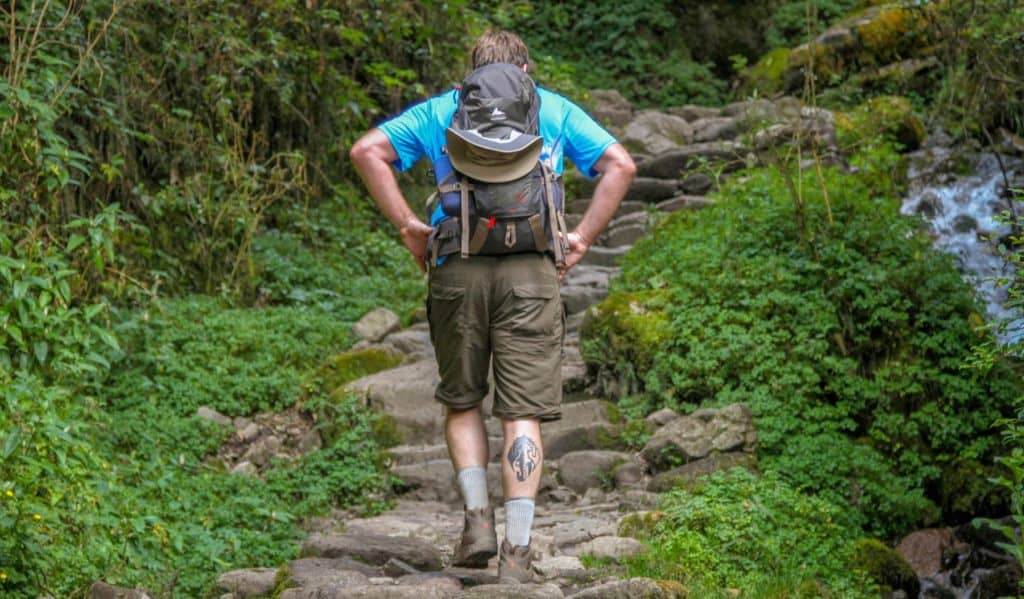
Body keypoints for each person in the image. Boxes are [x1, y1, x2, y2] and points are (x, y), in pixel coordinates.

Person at [349, 30, 635, 583]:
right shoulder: (551, 108)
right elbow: (620, 165)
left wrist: (410, 226)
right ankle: (518, 556)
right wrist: (579, 240)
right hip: (532, 271)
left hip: (455, 265)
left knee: (463, 400)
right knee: (521, 412)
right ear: (525, 69)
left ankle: (478, 522)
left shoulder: (443, 110)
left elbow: (367, 152)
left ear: (471, 74)